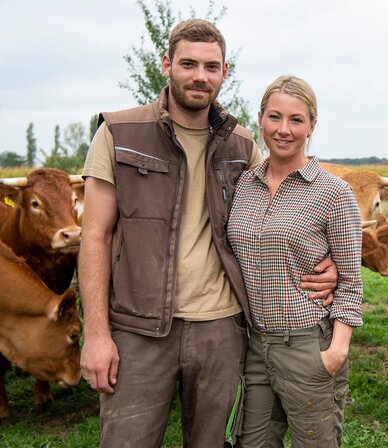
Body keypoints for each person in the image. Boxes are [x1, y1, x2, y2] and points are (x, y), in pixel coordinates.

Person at [79, 19, 338, 447]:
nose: (200, 76)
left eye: (211, 66)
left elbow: (278, 219)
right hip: (138, 330)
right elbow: (94, 236)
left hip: (220, 329)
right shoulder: (119, 133)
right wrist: (97, 334)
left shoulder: (242, 146)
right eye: (189, 64)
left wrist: (322, 265)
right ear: (167, 64)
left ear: (224, 71)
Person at [228, 75, 363, 448]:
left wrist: (336, 352)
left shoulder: (333, 193)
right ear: (260, 119)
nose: (283, 130)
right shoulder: (244, 185)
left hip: (308, 345)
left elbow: (351, 281)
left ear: (312, 126)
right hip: (255, 346)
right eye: (275, 117)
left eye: (296, 120)